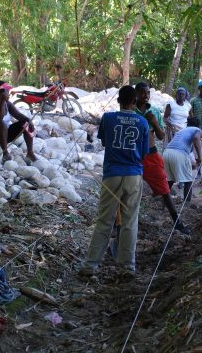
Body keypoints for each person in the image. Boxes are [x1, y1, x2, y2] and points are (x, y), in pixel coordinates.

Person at [79, 85, 149, 277]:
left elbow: (104, 142)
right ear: (135, 102)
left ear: (118, 100)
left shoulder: (108, 118)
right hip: (133, 175)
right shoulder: (142, 122)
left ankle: (90, 265)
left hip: (112, 174)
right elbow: (144, 153)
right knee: (130, 222)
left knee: (104, 220)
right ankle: (127, 266)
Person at [135, 82, 189, 234]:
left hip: (151, 155)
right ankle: (119, 225)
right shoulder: (130, 110)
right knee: (128, 190)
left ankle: (177, 222)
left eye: (148, 93)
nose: (146, 96)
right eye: (142, 93)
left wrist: (153, 122)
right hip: (133, 157)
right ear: (136, 93)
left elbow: (161, 136)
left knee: (164, 189)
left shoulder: (154, 111)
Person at [0, 80, 36, 162]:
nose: (9, 93)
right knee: (1, 123)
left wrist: (29, 120)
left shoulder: (7, 103)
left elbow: (18, 115)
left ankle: (30, 153)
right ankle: (5, 153)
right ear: (1, 93)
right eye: (7, 91)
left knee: (25, 123)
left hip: (3, 135)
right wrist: (2, 101)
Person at [163, 118, 202, 202]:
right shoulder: (197, 130)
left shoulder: (182, 131)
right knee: (188, 180)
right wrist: (200, 157)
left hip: (167, 152)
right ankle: (187, 205)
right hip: (179, 153)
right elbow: (196, 138)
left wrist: (193, 163)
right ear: (198, 125)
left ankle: (164, 203)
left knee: (170, 180)